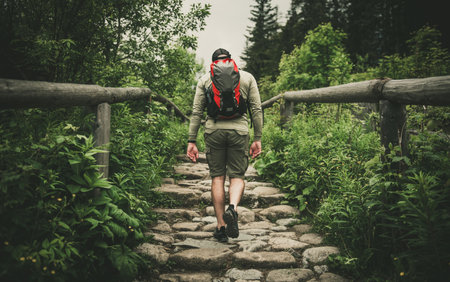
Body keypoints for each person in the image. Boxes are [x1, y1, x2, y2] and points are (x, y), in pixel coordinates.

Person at [186, 48, 263, 242]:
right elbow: (256, 109)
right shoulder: (246, 78)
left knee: (218, 178)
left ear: (213, 64)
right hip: (239, 131)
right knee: (237, 176)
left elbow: (196, 113)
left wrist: (191, 141)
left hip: (214, 131)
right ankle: (233, 208)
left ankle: (221, 227)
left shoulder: (205, 79)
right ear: (230, 61)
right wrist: (257, 138)